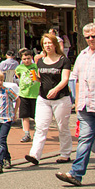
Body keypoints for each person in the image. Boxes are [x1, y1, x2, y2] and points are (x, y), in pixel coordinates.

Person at [55, 23, 95, 187]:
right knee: (84, 140)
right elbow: (76, 80)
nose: (90, 40)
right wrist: (77, 101)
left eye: (93, 36)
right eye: (87, 37)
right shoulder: (82, 55)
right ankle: (76, 174)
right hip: (86, 106)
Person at [25, 34, 72, 165]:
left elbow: (65, 79)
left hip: (61, 99)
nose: (47, 45)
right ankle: (34, 154)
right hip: (43, 98)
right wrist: (35, 78)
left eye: (50, 43)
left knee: (62, 126)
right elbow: (41, 79)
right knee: (40, 126)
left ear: (55, 45)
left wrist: (56, 89)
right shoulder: (40, 61)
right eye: (45, 43)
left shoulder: (64, 60)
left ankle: (65, 153)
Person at [14, 48, 40, 143]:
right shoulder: (19, 68)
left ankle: (38, 132)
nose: (26, 61)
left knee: (36, 115)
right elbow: (18, 75)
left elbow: (39, 78)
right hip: (24, 94)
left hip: (35, 94)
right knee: (25, 115)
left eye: (28, 58)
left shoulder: (36, 66)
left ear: (31, 58)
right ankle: (26, 133)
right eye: (24, 59)